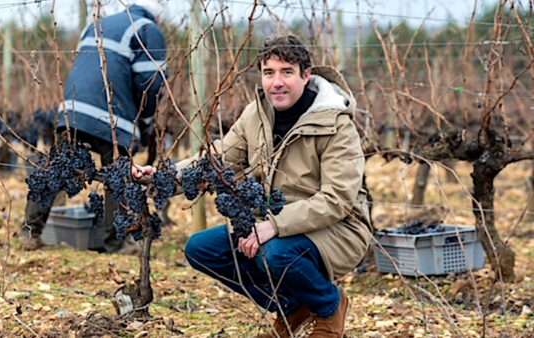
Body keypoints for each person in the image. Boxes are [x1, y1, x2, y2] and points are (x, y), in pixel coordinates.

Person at [133, 35, 372, 337]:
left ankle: (330, 306)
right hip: (278, 226)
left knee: (275, 253)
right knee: (201, 249)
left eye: (287, 72)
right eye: (268, 72)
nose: (277, 82)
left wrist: (272, 226)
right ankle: (291, 308)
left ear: (306, 75)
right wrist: (160, 177)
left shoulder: (336, 124)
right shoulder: (256, 115)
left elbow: (336, 200)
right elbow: (218, 160)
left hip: (337, 229)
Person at [19, 0, 167, 252]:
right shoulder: (147, 29)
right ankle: (116, 243)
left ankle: (29, 234)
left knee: (58, 169)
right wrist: (146, 122)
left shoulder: (97, 24)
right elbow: (150, 84)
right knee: (118, 176)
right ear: (158, 15)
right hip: (112, 117)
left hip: (72, 109)